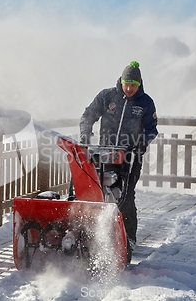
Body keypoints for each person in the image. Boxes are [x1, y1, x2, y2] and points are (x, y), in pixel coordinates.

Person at [79, 61, 158, 258]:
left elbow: (151, 129)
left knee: (126, 196)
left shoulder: (145, 103)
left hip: (130, 157)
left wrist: (142, 142)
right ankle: (92, 234)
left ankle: (129, 238)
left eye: (133, 85)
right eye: (126, 84)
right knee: (97, 193)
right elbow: (88, 115)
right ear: (121, 81)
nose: (129, 88)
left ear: (139, 85)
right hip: (104, 154)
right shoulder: (107, 97)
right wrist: (85, 134)